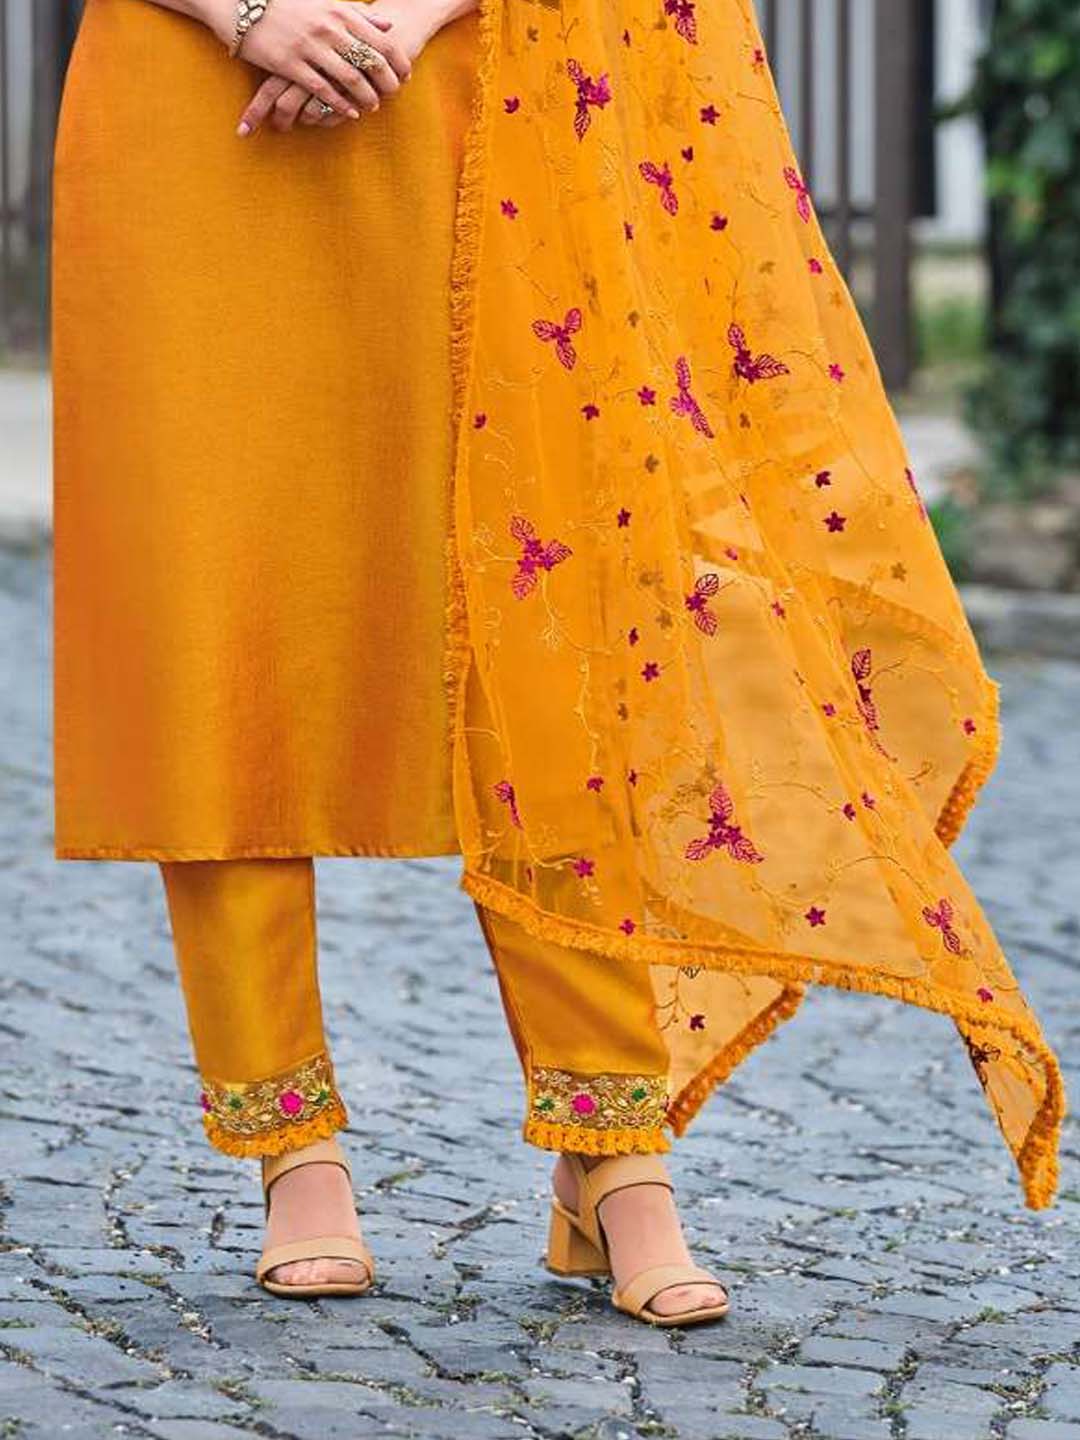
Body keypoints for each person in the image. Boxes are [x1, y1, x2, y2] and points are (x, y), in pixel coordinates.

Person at [51, 0, 1065, 1327]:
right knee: (225, 610)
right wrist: (255, 15)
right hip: (192, 92)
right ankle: (291, 1147)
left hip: (488, 95)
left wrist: (398, 21)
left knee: (547, 621)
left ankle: (615, 1151)